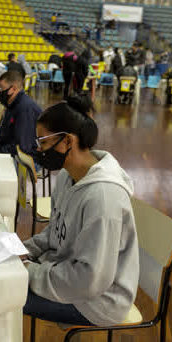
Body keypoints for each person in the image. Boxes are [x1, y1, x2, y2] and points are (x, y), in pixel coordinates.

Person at [24, 97, 139, 327]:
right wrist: (22, 251)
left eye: (43, 141)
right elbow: (54, 232)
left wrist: (30, 271)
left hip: (98, 301)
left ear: (67, 141)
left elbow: (90, 280)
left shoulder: (103, 198)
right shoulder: (69, 175)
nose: (38, 149)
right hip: (67, 274)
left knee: (1, 294)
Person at [0, 69, 41, 156]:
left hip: (23, 159)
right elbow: (2, 135)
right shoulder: (11, 104)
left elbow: (23, 147)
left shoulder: (25, 108)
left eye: (1, 88)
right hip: (9, 150)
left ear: (13, 89)